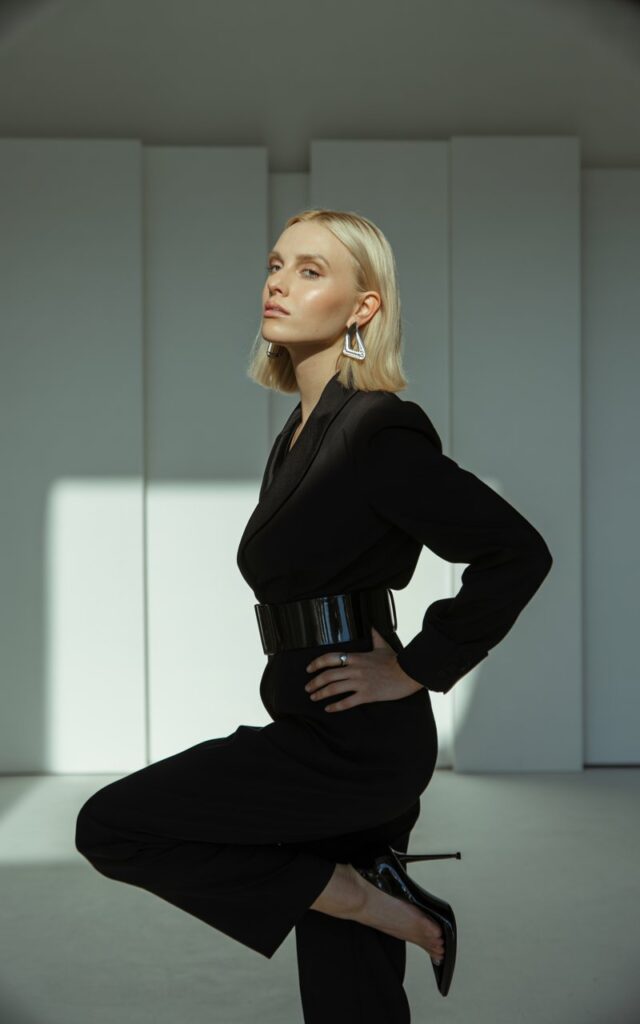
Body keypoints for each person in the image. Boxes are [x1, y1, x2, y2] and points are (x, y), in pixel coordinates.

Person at [75, 208, 553, 1021]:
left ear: (363, 307)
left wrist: (416, 666)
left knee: (113, 825)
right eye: (275, 264)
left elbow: (516, 551)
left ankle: (367, 897)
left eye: (310, 270)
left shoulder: (375, 429)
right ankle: (375, 898)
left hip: (356, 743)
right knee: (351, 999)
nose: (278, 283)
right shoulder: (303, 430)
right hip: (313, 718)